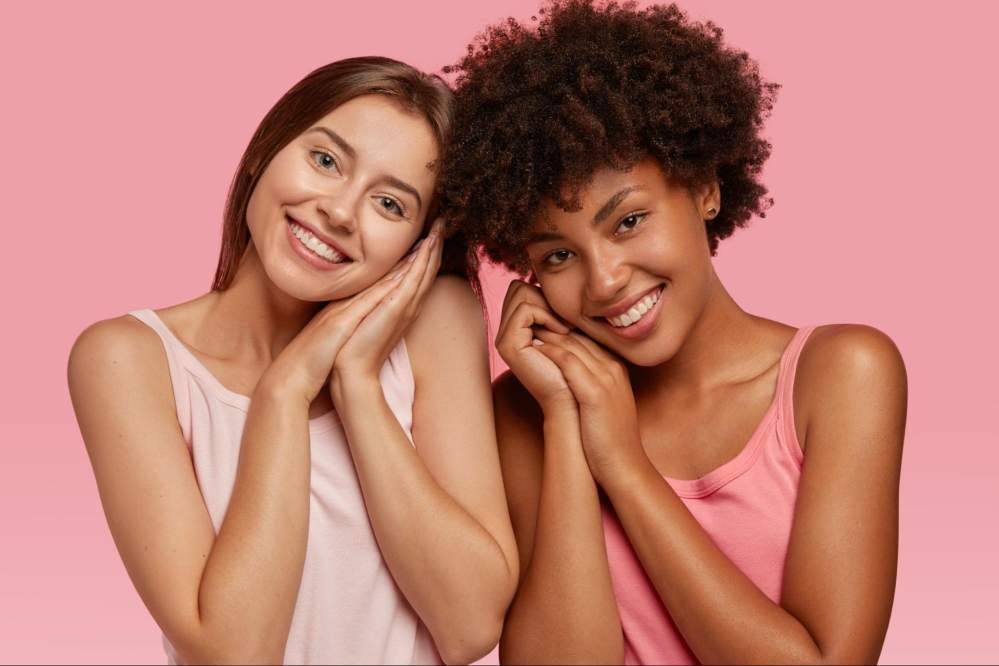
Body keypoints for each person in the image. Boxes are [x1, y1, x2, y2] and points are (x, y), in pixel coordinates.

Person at [439, 2, 907, 663]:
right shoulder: (527, 409)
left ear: (705, 189)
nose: (603, 281)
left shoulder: (839, 374)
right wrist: (570, 426)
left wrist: (624, 466)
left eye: (627, 222)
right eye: (557, 255)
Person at [68, 56, 517, 665]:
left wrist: (356, 382)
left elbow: (469, 626)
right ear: (264, 153)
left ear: (416, 246)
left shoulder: (435, 323)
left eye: (389, 204)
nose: (338, 211)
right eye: (325, 161)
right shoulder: (128, 360)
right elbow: (233, 653)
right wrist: (286, 390)